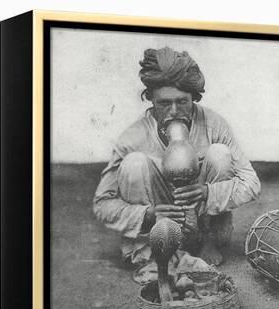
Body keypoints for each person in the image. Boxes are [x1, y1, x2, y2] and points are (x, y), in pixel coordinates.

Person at [93, 47, 261, 266]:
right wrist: (148, 214)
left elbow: (252, 183)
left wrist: (207, 193)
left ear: (193, 97)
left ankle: (207, 241)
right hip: (158, 223)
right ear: (151, 99)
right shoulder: (132, 137)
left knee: (219, 153)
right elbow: (102, 204)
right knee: (134, 163)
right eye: (164, 103)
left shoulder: (214, 124)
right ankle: (151, 252)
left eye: (182, 102)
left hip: (202, 222)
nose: (174, 111)